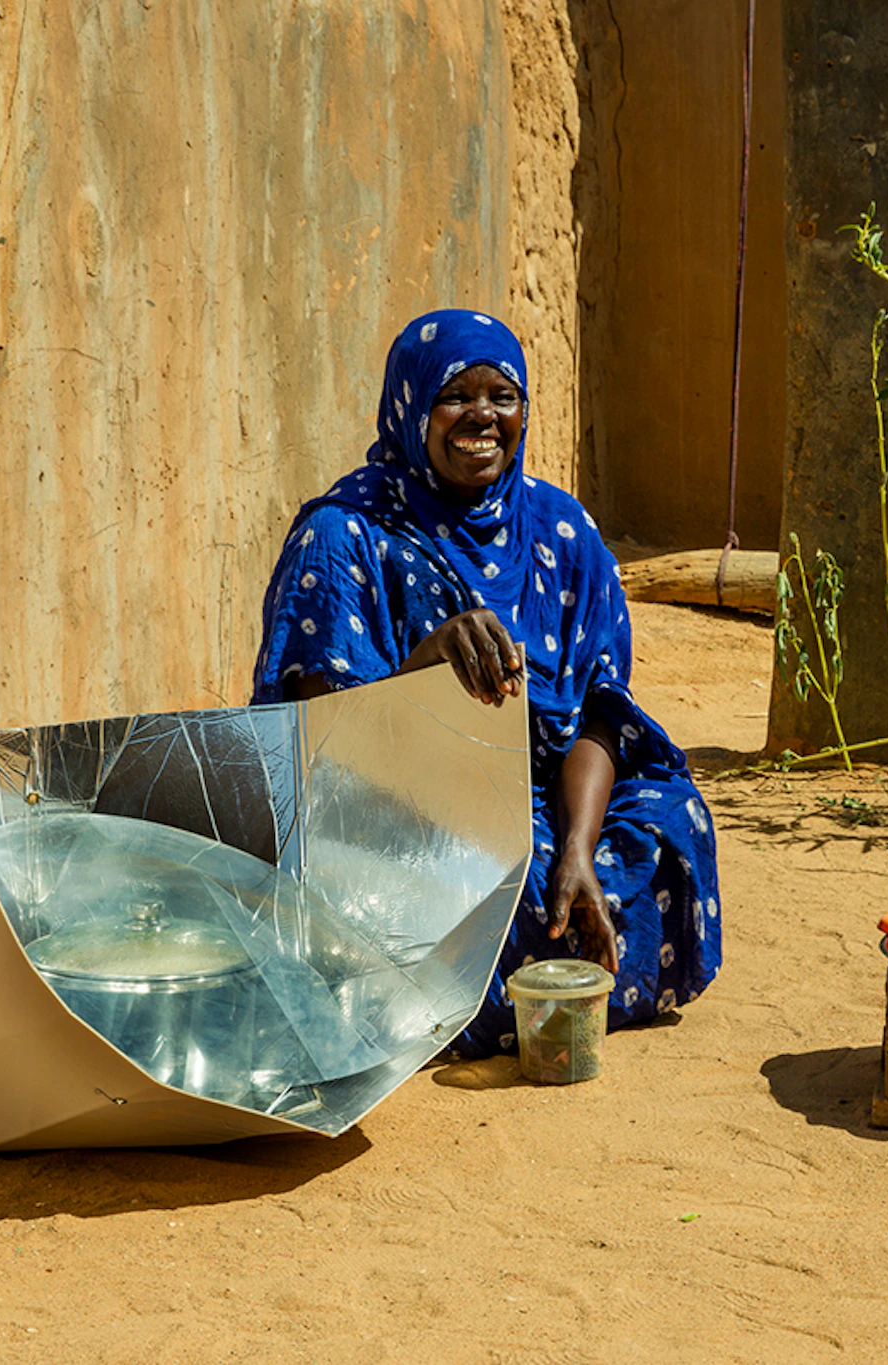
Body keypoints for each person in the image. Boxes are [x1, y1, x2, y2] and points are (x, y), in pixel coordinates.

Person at [250, 309, 721, 1057]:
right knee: (479, 885)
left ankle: (511, 962)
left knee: (668, 825)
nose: (481, 417)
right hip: (398, 809)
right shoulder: (346, 535)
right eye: (454, 397)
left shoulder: (562, 534)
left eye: (501, 396)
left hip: (539, 803)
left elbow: (600, 713)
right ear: (410, 410)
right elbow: (321, 745)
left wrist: (574, 849)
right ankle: (474, 987)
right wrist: (424, 664)